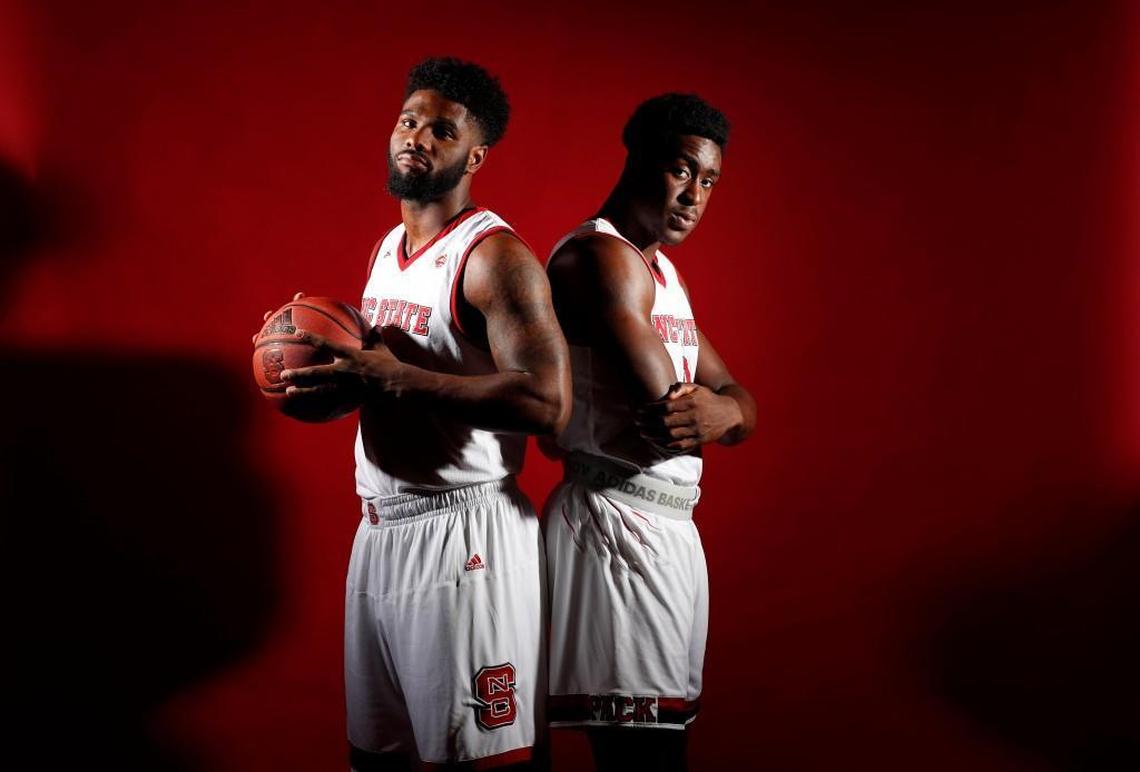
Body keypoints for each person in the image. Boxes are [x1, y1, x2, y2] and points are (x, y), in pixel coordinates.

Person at [275, 57, 570, 771]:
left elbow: (547, 401)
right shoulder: (389, 249)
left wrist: (401, 379)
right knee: (379, 757)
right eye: (409, 121)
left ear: (475, 155)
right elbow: (387, 379)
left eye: (442, 131)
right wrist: (313, 367)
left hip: (465, 538)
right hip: (381, 532)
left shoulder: (494, 257)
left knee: (481, 762)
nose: (416, 137)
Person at [542, 93, 756, 771]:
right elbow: (674, 419)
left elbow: (739, 405)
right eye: (681, 170)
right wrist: (720, 412)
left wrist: (729, 411)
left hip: (669, 528)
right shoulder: (599, 257)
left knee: (664, 743)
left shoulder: (660, 271)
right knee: (642, 758)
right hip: (615, 525)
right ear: (637, 160)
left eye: (709, 181)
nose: (695, 196)